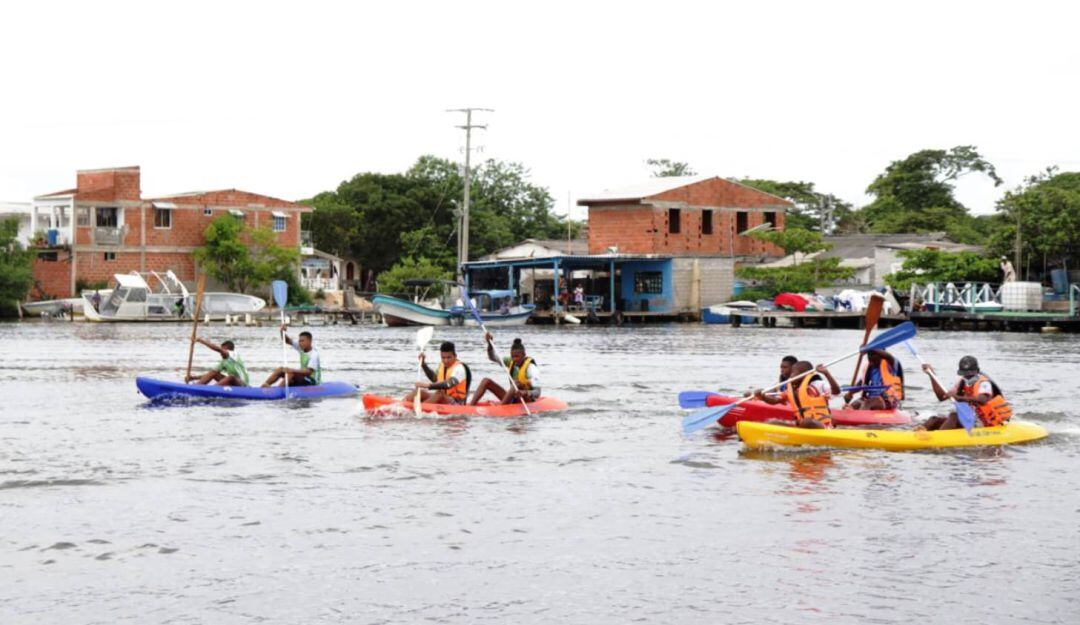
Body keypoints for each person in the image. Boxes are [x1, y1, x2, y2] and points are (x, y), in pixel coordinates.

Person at [919, 355, 1013, 431]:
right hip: (972, 420)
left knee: (954, 416)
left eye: (970, 374)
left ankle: (939, 439)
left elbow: (983, 400)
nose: (967, 377)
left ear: (977, 371)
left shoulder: (984, 383)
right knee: (934, 420)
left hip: (987, 423)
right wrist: (931, 375)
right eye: (965, 374)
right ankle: (918, 433)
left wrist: (958, 397)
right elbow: (941, 397)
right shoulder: (962, 382)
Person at [759, 361, 841, 429]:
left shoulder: (818, 385)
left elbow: (836, 391)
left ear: (805, 374)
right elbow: (775, 400)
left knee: (806, 421)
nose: (791, 376)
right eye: (791, 373)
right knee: (772, 422)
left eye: (794, 373)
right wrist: (763, 397)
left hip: (823, 426)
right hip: (802, 425)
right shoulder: (790, 390)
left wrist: (826, 374)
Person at [469, 334, 540, 405]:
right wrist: (490, 344)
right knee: (486, 381)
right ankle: (471, 406)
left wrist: (525, 392)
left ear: (524, 354)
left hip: (526, 399)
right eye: (512, 357)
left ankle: (501, 407)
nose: (514, 359)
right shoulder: (510, 361)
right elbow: (492, 357)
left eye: (517, 356)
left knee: (516, 383)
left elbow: (538, 392)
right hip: (514, 397)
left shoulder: (531, 368)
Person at [405, 341, 470, 405]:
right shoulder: (442, 365)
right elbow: (434, 379)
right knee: (418, 392)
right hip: (443, 397)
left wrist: (428, 385)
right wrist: (423, 364)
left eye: (449, 357)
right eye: (443, 358)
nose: (446, 361)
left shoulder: (460, 368)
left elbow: (448, 384)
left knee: (439, 393)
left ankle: (418, 409)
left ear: (455, 356)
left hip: (457, 403)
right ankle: (403, 405)